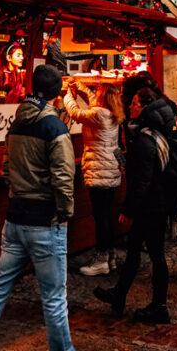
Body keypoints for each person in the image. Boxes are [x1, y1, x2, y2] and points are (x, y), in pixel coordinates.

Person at [0, 65, 75, 351]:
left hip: (14, 218)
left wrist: (17, 191)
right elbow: (63, 177)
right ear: (56, 92)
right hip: (44, 220)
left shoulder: (17, 123)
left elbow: (6, 167)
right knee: (53, 298)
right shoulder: (54, 127)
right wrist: (64, 213)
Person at [94, 85, 177, 324]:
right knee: (133, 251)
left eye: (133, 103)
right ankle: (119, 296)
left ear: (144, 108)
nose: (129, 106)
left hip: (151, 206)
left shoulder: (144, 138)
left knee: (156, 255)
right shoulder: (156, 133)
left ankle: (160, 307)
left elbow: (142, 180)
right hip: (157, 203)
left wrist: (128, 209)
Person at [64, 79, 124, 276]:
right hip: (110, 171)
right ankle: (109, 256)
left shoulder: (98, 114)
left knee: (101, 217)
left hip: (99, 172)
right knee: (106, 215)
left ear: (103, 97)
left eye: (98, 91)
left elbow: (75, 113)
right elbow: (92, 102)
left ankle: (101, 259)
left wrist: (67, 95)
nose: (95, 93)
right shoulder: (112, 114)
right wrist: (81, 88)